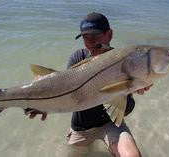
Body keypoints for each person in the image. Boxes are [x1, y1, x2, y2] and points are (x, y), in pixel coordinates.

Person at [24, 12, 152, 157]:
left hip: (110, 125)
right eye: (85, 37)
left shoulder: (125, 60)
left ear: (109, 35)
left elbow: (126, 109)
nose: (90, 42)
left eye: (95, 36)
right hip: (81, 128)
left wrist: (132, 88)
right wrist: (45, 104)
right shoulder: (77, 58)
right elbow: (70, 93)